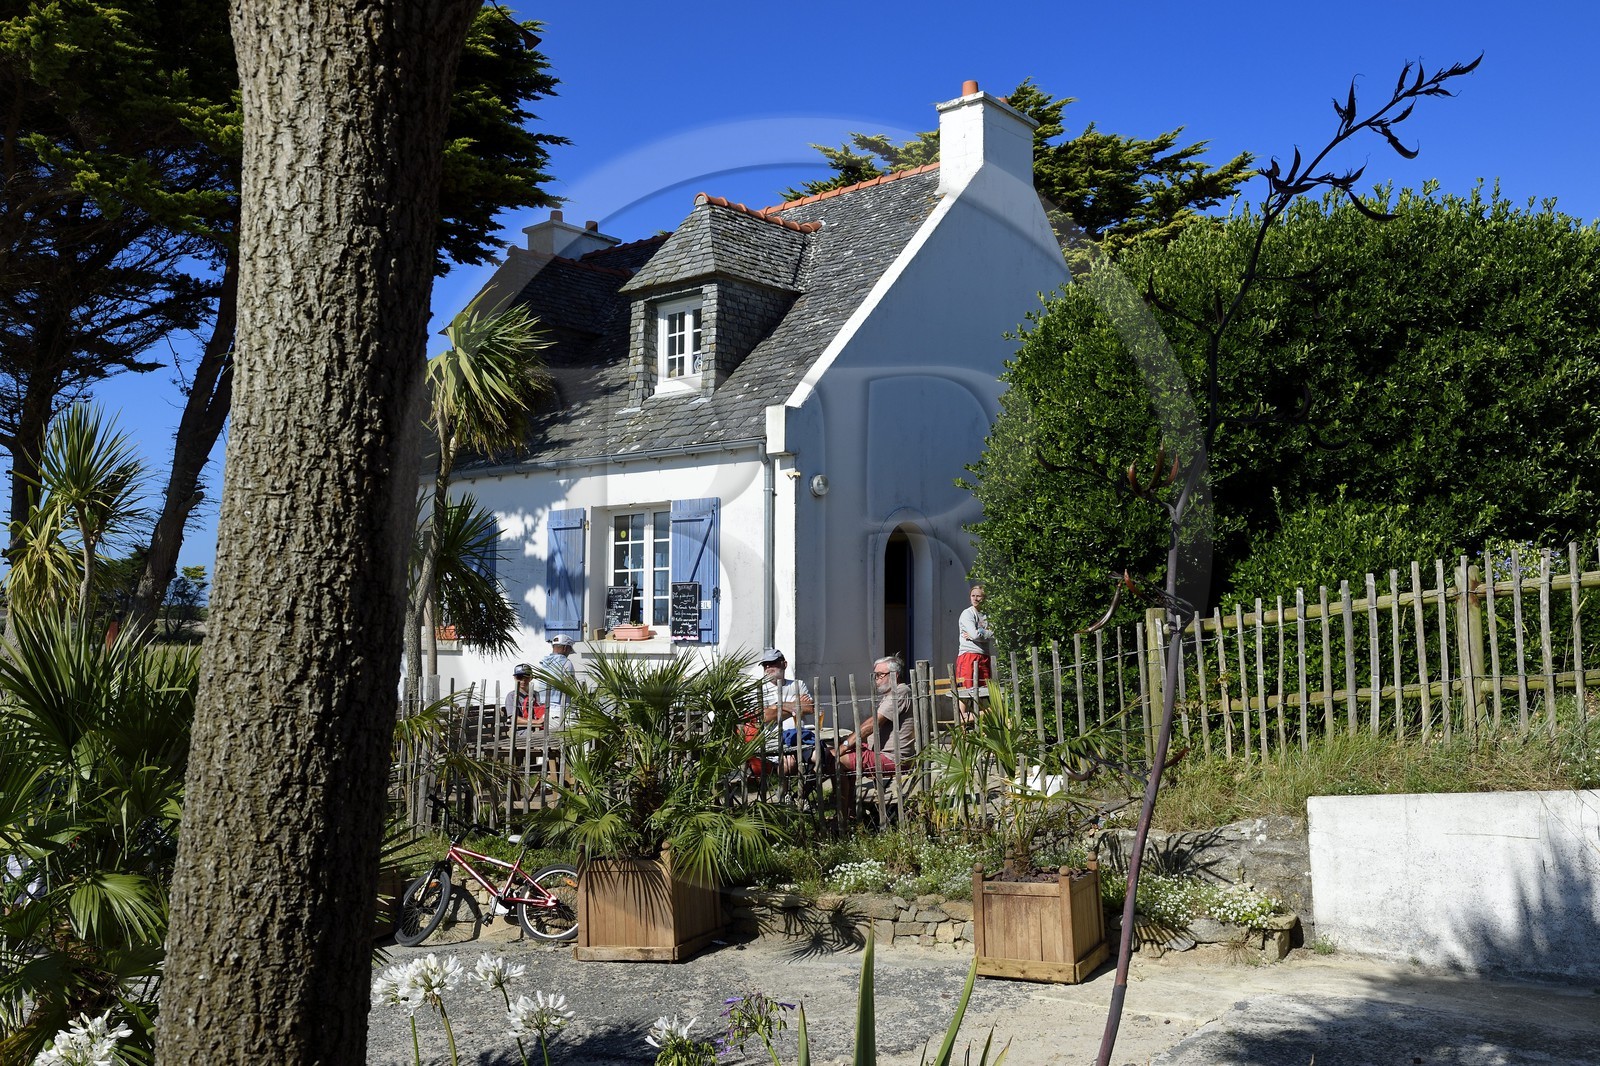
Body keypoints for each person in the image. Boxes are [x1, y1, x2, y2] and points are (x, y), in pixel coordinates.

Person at [836, 656, 916, 774]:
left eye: (880, 675)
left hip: (892, 758)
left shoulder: (900, 691)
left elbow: (873, 723)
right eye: (875, 675)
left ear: (895, 675)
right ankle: (846, 793)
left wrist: (845, 745)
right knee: (829, 753)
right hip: (878, 753)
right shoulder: (890, 694)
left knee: (834, 759)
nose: (876, 679)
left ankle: (841, 793)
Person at [755, 648, 816, 775]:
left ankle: (808, 789)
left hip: (802, 737)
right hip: (776, 741)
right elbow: (765, 716)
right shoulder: (760, 688)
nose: (768, 667)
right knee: (789, 764)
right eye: (765, 665)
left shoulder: (797, 684)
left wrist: (777, 707)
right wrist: (795, 705)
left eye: (772, 663)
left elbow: (809, 707)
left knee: (826, 756)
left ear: (784, 664)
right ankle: (784, 793)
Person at [956, 584, 993, 724]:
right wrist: (981, 634)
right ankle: (963, 719)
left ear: (984, 598)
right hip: (969, 655)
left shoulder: (987, 615)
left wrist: (980, 634)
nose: (976, 598)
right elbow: (974, 634)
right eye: (973, 595)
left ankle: (978, 721)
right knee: (966, 688)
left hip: (984, 655)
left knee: (984, 690)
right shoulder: (967, 613)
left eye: (979, 596)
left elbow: (991, 633)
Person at [536, 634, 577, 729]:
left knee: (551, 740)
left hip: (547, 710)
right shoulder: (566, 663)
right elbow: (570, 685)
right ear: (566, 648)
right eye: (569, 650)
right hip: (562, 710)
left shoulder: (545, 663)